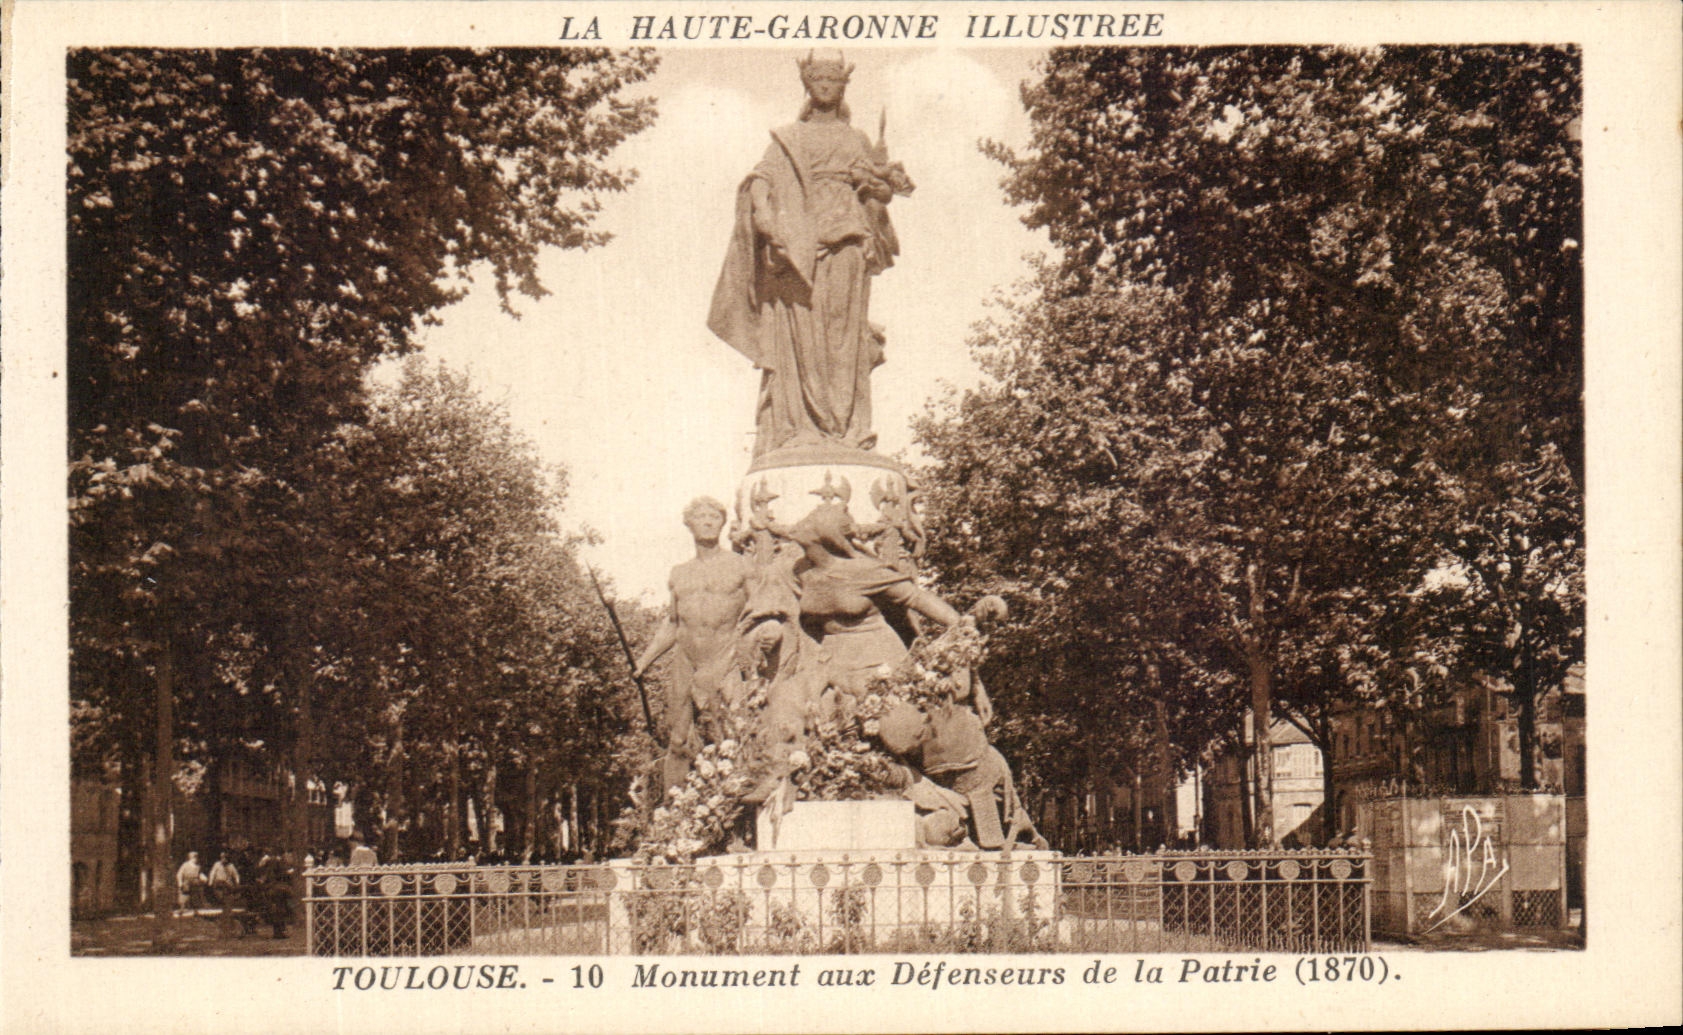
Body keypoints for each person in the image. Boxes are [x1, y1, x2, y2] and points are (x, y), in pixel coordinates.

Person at [708, 50, 913, 457]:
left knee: (845, 332)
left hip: (849, 242)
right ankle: (800, 425)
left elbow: (878, 190)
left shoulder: (855, 139)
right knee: (801, 333)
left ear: (842, 88)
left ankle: (847, 428)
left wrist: (879, 185)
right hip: (801, 248)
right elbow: (759, 180)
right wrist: (765, 215)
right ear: (807, 85)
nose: (825, 86)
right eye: (818, 80)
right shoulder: (790, 137)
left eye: (833, 81)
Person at [635, 497, 751, 789]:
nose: (709, 522)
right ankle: (671, 818)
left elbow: (758, 612)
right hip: (685, 660)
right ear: (689, 524)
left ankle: (739, 812)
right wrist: (643, 662)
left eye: (714, 516)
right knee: (677, 739)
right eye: (701, 517)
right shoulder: (679, 573)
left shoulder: (741, 567)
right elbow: (673, 624)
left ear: (723, 523)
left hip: (726, 657)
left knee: (736, 732)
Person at [784, 503, 960, 692]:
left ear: (825, 534)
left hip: (876, 663)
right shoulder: (799, 571)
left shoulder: (863, 570)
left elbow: (916, 598)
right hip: (830, 664)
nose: (800, 526)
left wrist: (959, 627)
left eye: (810, 523)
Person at [174, 850, 204, 915]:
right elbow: (179, 874)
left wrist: (203, 878)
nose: (195, 859)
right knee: (183, 896)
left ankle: (195, 911)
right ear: (190, 858)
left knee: (195, 897)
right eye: (194, 858)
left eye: (196, 858)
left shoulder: (198, 866)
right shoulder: (185, 865)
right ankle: (181, 909)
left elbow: (200, 874)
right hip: (186, 882)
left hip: (195, 882)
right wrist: (180, 882)